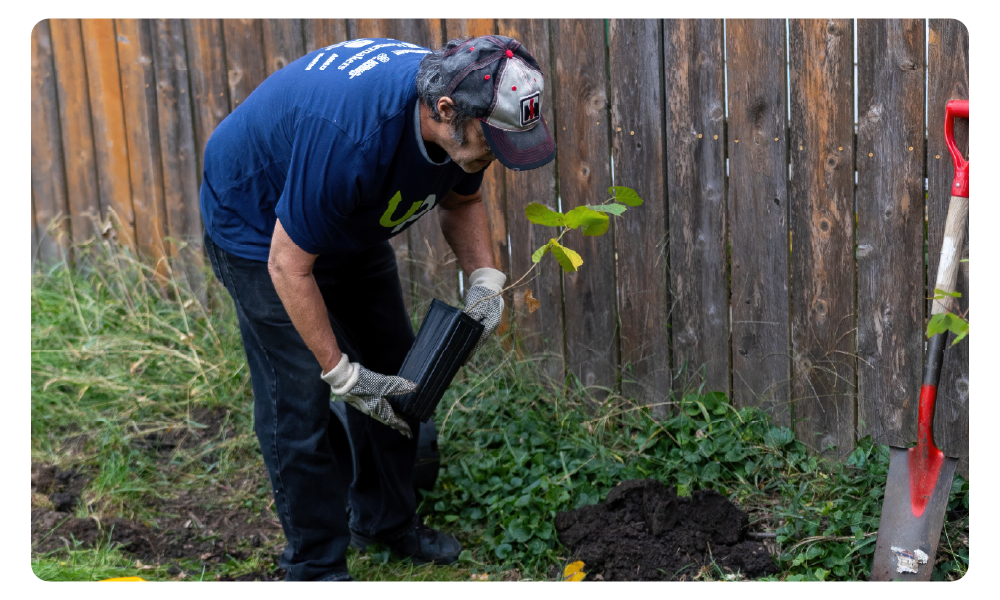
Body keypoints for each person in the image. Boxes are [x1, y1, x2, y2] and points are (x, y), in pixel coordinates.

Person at [199, 34, 556, 581]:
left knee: (396, 368)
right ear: (444, 112)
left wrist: (485, 279)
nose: (496, 157)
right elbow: (288, 266)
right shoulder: (352, 137)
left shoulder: (465, 105)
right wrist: (341, 372)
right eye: (495, 143)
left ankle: (384, 520)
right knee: (299, 397)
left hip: (342, 221)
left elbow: (464, 197)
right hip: (258, 228)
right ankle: (315, 565)